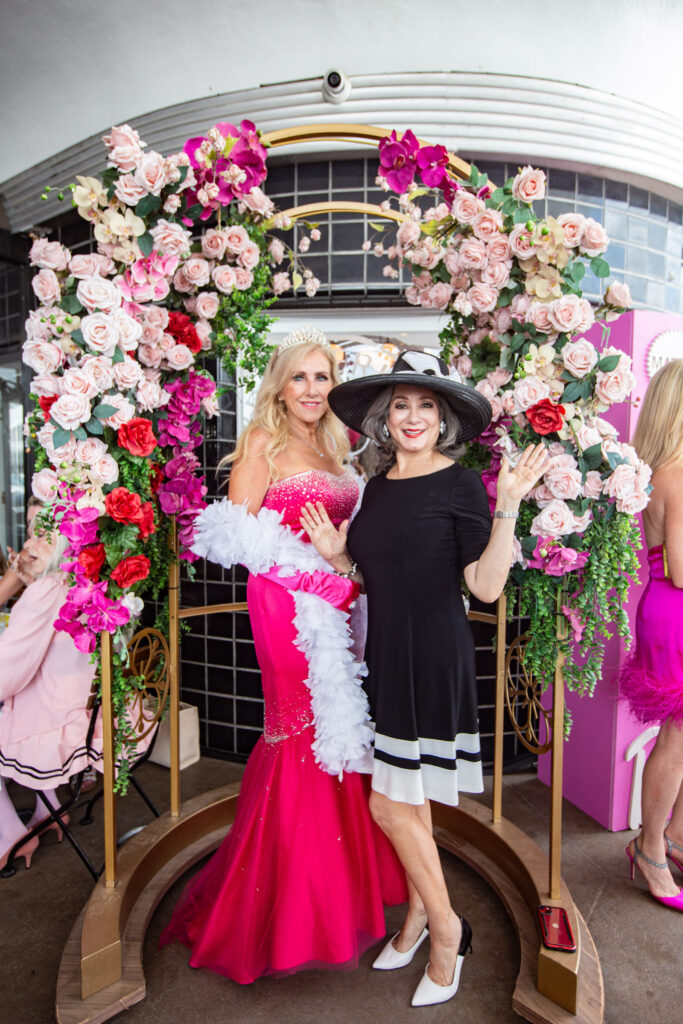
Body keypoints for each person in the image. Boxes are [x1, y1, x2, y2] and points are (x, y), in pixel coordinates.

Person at [300, 349, 548, 1006]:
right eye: (402, 405)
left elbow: (486, 588)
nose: (413, 417)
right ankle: (414, 918)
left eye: (427, 406)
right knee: (405, 802)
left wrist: (510, 507)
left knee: (389, 804)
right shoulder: (376, 485)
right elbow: (377, 574)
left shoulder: (462, 485)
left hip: (433, 659)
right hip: (386, 657)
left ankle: (446, 930)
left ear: (443, 421)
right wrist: (339, 555)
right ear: (384, 417)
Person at [159, 326, 407, 984]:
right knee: (300, 733)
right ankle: (286, 913)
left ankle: (340, 890)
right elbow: (234, 536)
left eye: (321, 377)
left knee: (342, 733)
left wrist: (347, 574)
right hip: (288, 608)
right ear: (278, 383)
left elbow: (353, 529)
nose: (310, 389)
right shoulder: (262, 442)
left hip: (340, 600)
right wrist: (314, 579)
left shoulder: (338, 442)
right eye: (298, 377)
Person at [620, 358, 683, 912]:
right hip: (677, 606)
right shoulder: (680, 474)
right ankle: (651, 849)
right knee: (677, 737)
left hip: (665, 605)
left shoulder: (659, 468)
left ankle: (673, 839)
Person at [0, 526, 98, 871]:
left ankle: (9, 836)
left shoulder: (44, 591)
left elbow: (5, 674)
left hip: (52, 724)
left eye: (43, 536)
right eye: (30, 535)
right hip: (80, 714)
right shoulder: (79, 581)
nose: (28, 545)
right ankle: (49, 810)